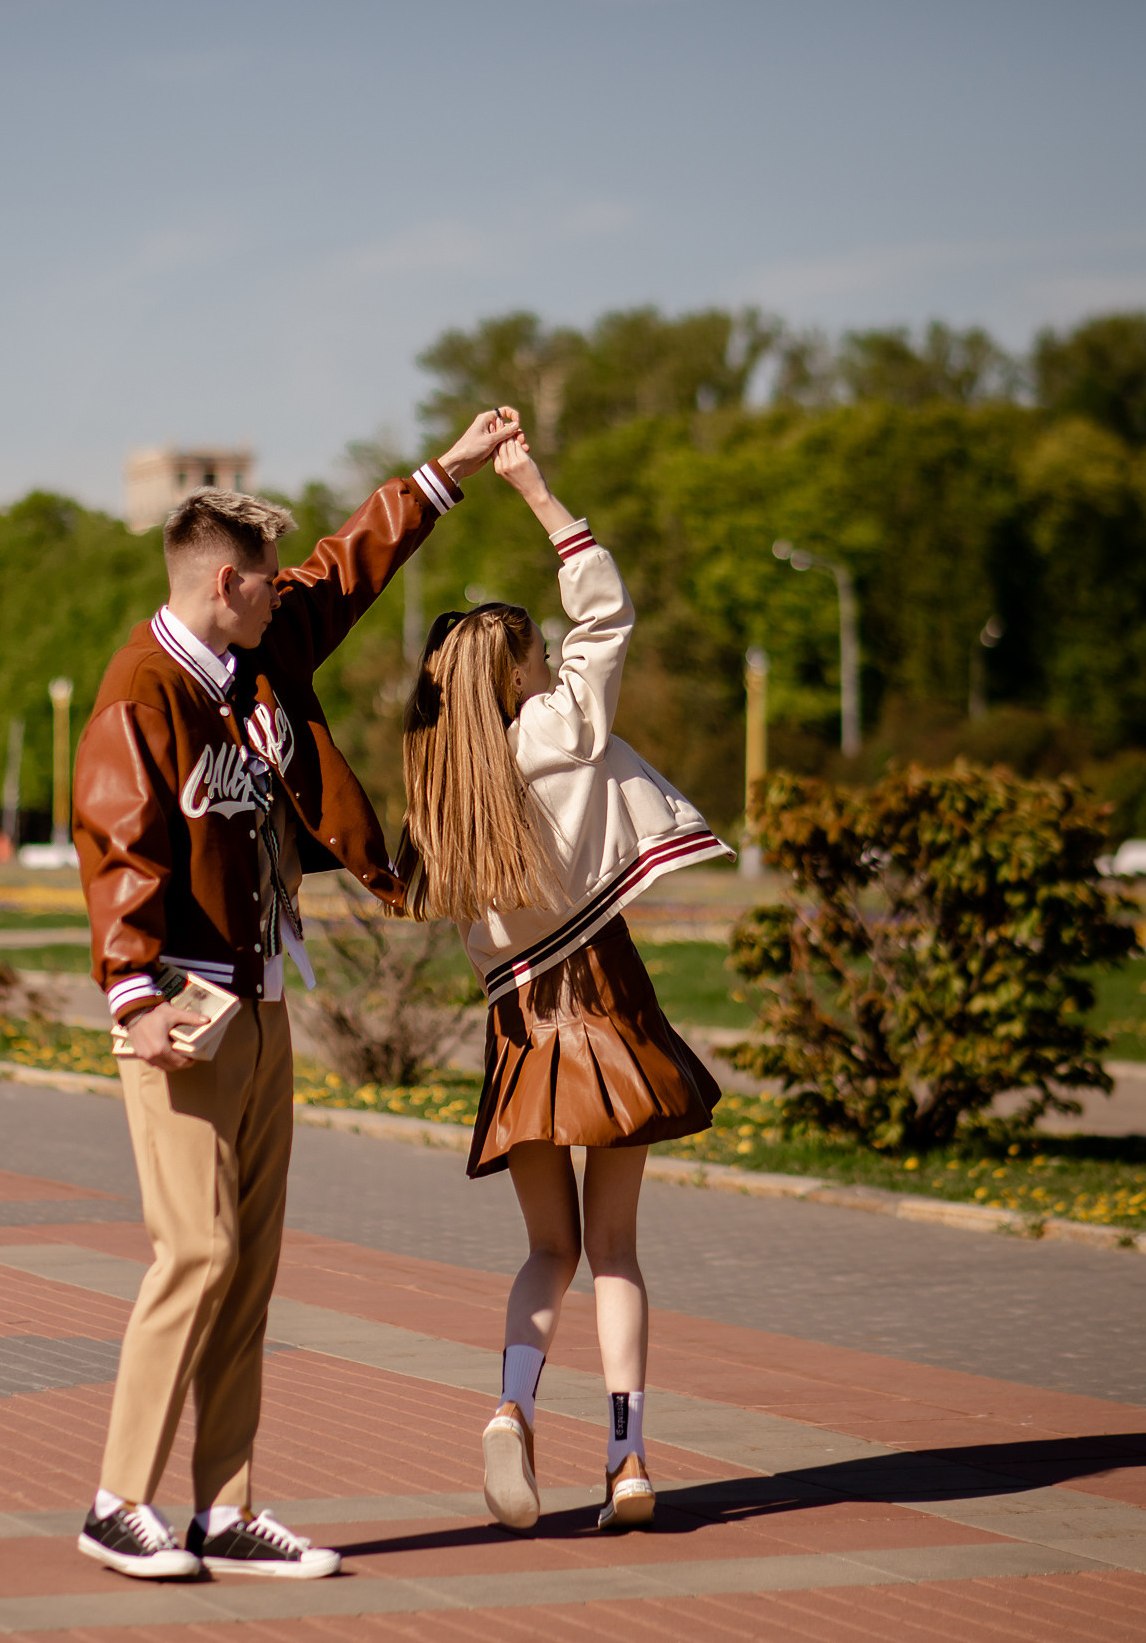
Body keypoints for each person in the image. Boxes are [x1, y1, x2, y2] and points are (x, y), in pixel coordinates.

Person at [72, 408, 521, 1581]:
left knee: (250, 1264)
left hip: (261, 1001)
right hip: (179, 1012)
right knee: (195, 1251)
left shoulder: (260, 651)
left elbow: (349, 565)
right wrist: (133, 1000)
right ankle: (119, 1500)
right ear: (226, 582)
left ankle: (225, 1507)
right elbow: (116, 848)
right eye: (269, 586)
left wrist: (449, 473)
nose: (289, 597)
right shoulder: (141, 691)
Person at [397, 419, 731, 1534]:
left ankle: (510, 1409)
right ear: (525, 669)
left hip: (519, 1033)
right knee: (617, 1251)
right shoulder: (561, 728)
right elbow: (608, 609)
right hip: (606, 1008)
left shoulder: (446, 789)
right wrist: (534, 489)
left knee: (548, 1251)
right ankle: (630, 1464)